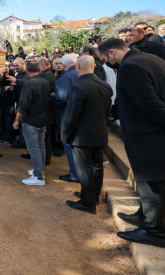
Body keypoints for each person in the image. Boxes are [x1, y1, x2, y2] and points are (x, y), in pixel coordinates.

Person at [98, 39, 165, 248]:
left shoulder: (130, 67)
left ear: (111, 52)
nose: (108, 64)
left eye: (105, 60)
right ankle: (144, 215)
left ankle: (154, 231)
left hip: (147, 136)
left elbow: (150, 104)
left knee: (150, 184)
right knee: (150, 182)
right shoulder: (153, 59)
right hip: (153, 134)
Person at [61, 56, 112, 214]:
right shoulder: (105, 85)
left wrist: (65, 136)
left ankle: (87, 202)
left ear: (77, 67)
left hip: (82, 136)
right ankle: (92, 196)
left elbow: (71, 115)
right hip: (100, 132)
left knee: (85, 169)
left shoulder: (79, 87)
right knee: (96, 167)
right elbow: (107, 111)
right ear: (94, 66)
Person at [13, 61, 51, 185]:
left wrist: (16, 121)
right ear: (39, 70)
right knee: (40, 146)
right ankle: (39, 170)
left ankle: (38, 177)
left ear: (27, 71)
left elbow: (23, 105)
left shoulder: (29, 84)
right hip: (43, 119)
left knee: (34, 148)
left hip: (32, 121)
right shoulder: (46, 82)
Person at [52, 53, 80, 183]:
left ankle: (75, 174)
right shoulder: (83, 74)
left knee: (69, 146)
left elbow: (61, 98)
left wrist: (53, 97)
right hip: (81, 116)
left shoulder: (66, 77)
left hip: (67, 116)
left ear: (63, 64)